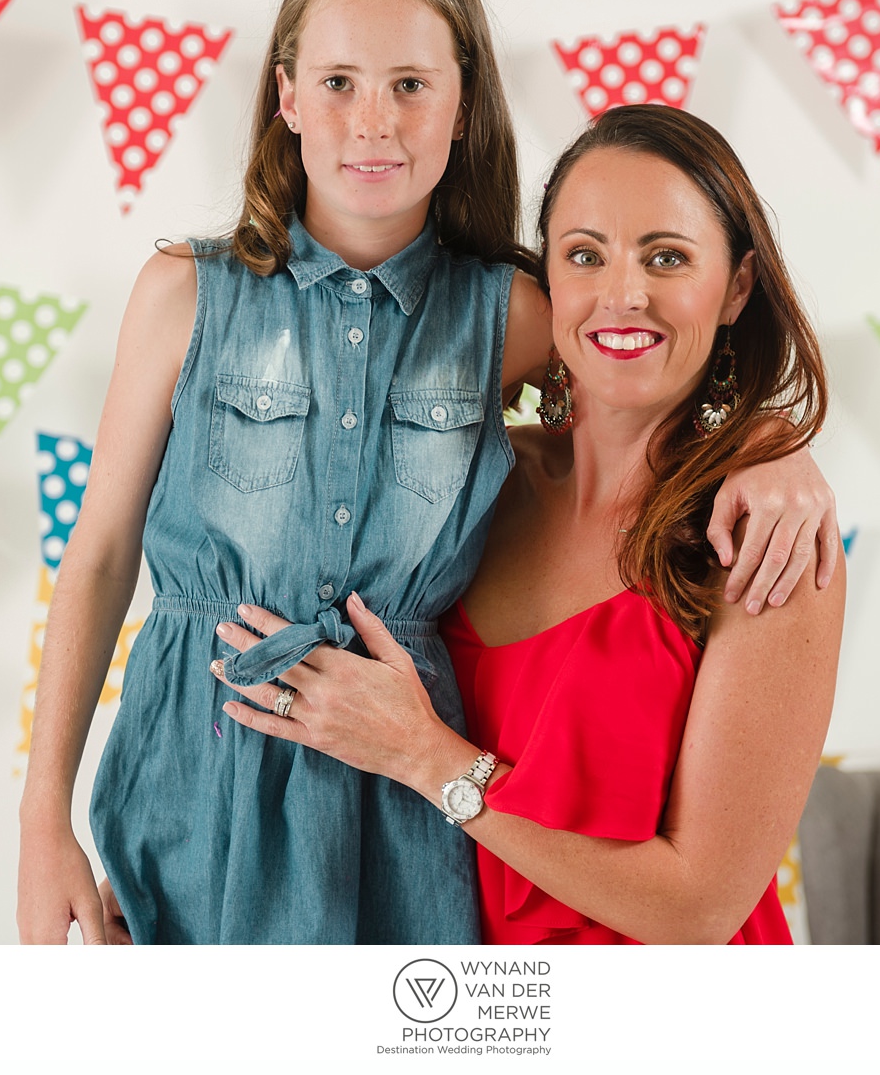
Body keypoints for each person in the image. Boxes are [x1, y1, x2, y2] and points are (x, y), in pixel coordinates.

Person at [17, 0, 841, 946]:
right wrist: (41, 816)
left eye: (411, 84)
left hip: (400, 813)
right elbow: (97, 557)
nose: (374, 121)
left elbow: (640, 376)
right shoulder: (184, 294)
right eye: (337, 83)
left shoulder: (514, 312)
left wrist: (772, 444)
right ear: (284, 96)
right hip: (194, 781)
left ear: (462, 108)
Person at [215, 104, 844, 944]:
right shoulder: (463, 482)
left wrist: (429, 758)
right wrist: (165, 874)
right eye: (585, 254)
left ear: (736, 287)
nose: (623, 292)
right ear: (546, 282)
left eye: (668, 256)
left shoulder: (765, 541)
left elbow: (698, 908)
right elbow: (303, 693)